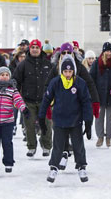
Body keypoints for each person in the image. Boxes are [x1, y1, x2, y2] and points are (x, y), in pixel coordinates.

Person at [39, 54, 93, 183]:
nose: (68, 74)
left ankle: (81, 166)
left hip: (76, 120)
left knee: (78, 145)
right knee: (58, 145)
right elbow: (46, 99)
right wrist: (41, 117)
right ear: (61, 71)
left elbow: (86, 102)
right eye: (65, 71)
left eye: (70, 71)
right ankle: (54, 167)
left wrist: (88, 121)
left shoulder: (79, 82)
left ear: (73, 71)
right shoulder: (55, 82)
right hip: (59, 120)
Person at [47, 42, 99, 170]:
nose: (66, 55)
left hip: (76, 106)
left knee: (74, 132)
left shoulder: (79, 68)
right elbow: (47, 86)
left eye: (68, 53)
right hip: (59, 106)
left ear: (73, 53)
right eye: (63, 53)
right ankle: (64, 153)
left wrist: (95, 102)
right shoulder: (56, 67)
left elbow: (90, 84)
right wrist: (47, 103)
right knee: (60, 131)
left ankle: (76, 158)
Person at [13, 39, 53, 157]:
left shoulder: (47, 64)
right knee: (29, 125)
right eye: (33, 48)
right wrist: (16, 95)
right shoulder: (23, 64)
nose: (35, 50)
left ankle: (46, 146)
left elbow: (54, 81)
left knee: (46, 124)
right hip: (28, 101)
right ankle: (31, 146)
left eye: (37, 48)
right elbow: (16, 80)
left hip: (45, 100)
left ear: (40, 49)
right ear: (29, 49)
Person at [90, 42, 111, 147]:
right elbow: (91, 78)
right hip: (99, 95)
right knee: (99, 117)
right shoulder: (97, 63)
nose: (108, 53)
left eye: (110, 51)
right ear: (103, 51)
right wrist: (93, 91)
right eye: (107, 51)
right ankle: (100, 137)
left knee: (110, 118)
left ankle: (108, 138)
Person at [9, 50, 26, 136]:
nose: (22, 58)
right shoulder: (12, 66)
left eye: (24, 57)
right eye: (21, 57)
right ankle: (13, 125)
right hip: (15, 89)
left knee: (24, 108)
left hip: (25, 90)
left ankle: (24, 126)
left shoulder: (27, 65)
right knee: (14, 109)